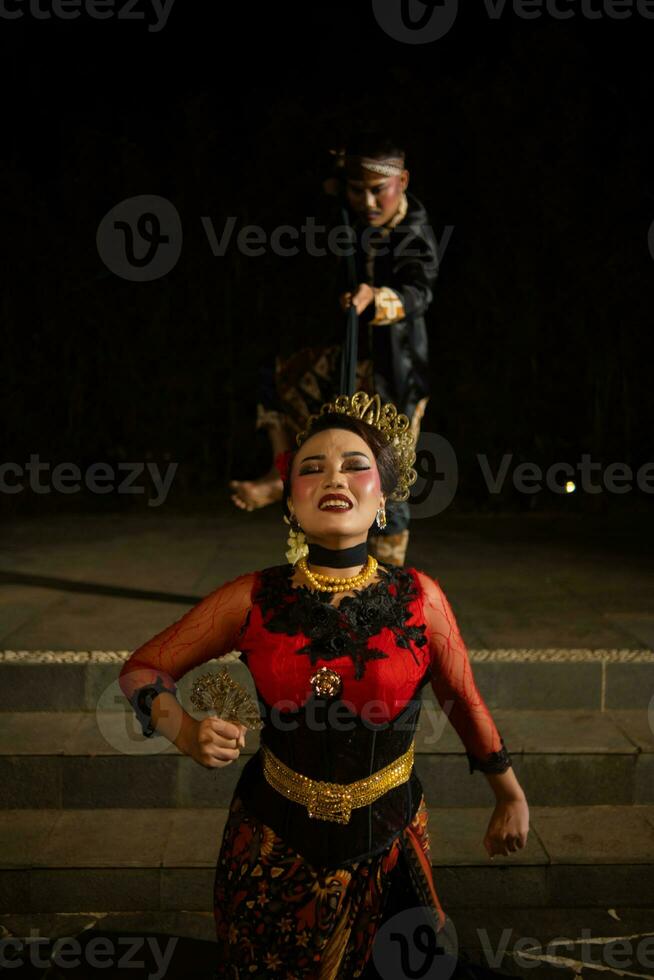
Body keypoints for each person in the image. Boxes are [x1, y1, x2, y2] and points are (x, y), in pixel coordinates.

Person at [120, 391, 529, 979]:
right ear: (291, 503)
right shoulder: (253, 598)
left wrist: (509, 793)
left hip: (388, 846)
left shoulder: (420, 599)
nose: (333, 477)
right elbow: (141, 668)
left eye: (355, 465)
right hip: (269, 848)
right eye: (311, 467)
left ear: (383, 498)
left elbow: (461, 698)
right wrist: (183, 729)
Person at [229, 133, 439, 569]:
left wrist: (377, 297)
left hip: (392, 377)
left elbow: (419, 289)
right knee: (278, 383)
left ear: (402, 180)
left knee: (384, 479)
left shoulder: (414, 227)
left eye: (377, 189)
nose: (367, 201)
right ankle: (281, 475)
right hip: (343, 361)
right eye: (356, 189)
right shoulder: (341, 211)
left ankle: (389, 586)